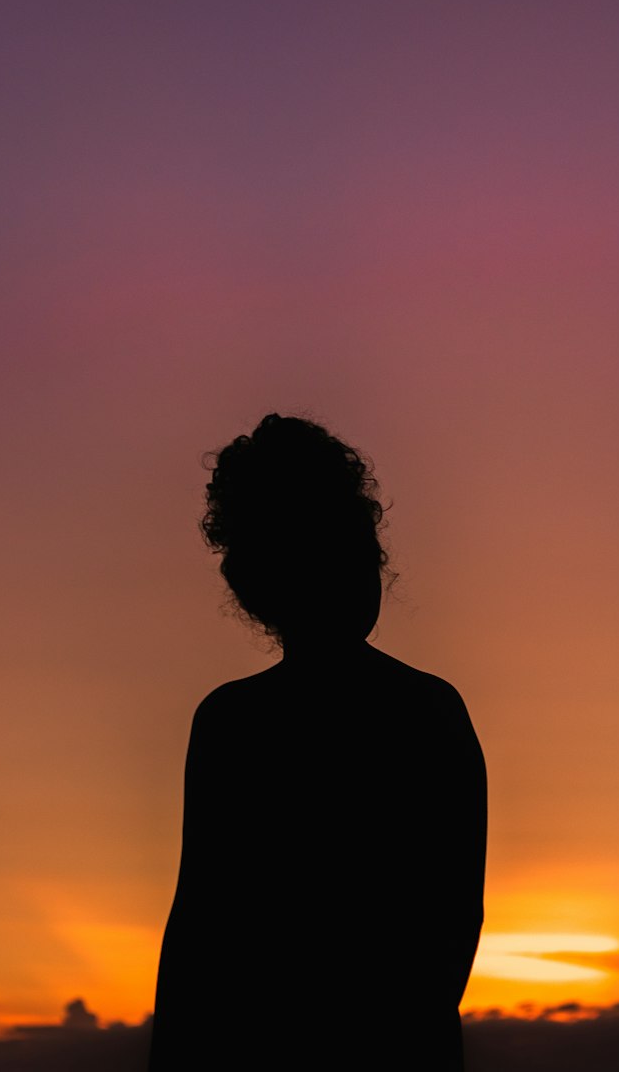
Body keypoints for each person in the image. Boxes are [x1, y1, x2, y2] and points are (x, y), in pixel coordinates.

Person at [148, 414, 486, 1070]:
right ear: (264, 581)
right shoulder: (419, 711)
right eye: (334, 551)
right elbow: (200, 930)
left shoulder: (236, 722)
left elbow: (448, 928)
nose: (361, 573)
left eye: (362, 549)